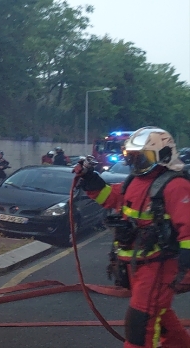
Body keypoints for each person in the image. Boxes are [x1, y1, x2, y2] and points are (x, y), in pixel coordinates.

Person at [74, 127, 190, 348]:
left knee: (141, 321)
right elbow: (111, 198)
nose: (136, 163)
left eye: (141, 158)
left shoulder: (176, 186)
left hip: (159, 266)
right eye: (132, 157)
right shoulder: (134, 182)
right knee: (160, 316)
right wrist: (90, 179)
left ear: (163, 156)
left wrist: (186, 264)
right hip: (136, 264)